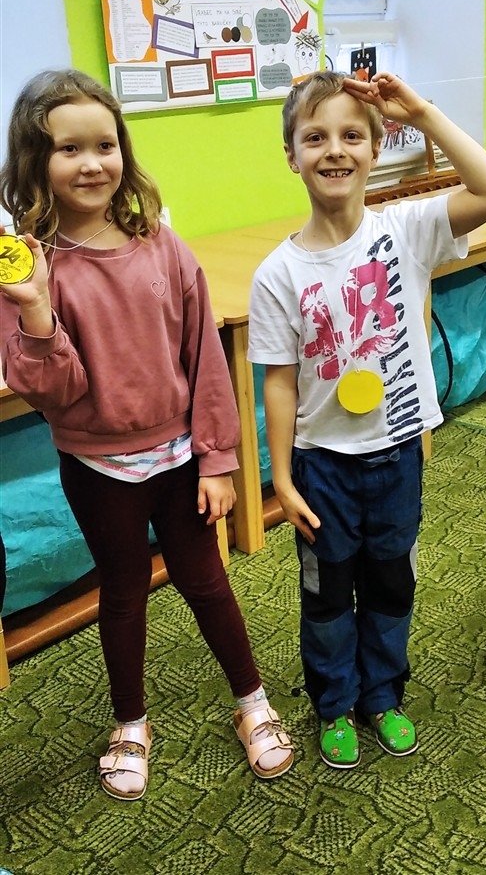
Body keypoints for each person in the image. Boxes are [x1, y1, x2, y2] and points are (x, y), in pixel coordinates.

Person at [0, 69, 294, 799]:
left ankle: (253, 701)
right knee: (124, 591)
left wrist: (218, 459)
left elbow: (205, 358)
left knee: (206, 580)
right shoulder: (31, 266)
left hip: (181, 457)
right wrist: (35, 309)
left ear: (123, 152)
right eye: (69, 149)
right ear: (36, 160)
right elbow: (53, 391)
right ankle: (131, 723)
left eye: (105, 145)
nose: (91, 163)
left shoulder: (160, 243)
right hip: (96, 468)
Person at [247, 70, 486, 767]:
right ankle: (334, 703)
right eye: (314, 137)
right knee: (326, 594)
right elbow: (279, 381)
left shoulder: (407, 229)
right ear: (290, 155)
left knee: (393, 585)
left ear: (374, 147)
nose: (334, 150)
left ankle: (382, 696)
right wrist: (283, 479)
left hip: (396, 456)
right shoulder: (278, 273)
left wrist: (422, 113)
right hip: (322, 467)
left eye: (350, 135)